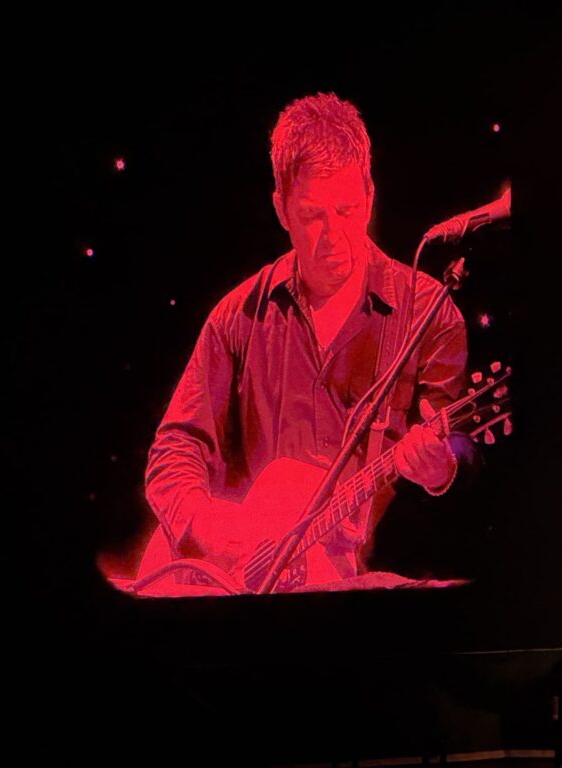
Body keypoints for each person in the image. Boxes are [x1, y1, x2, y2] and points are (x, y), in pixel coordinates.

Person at [143, 92, 479, 592]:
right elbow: (175, 446)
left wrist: (441, 466)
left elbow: (460, 446)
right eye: (312, 215)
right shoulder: (238, 317)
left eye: (347, 210)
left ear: (370, 194)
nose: (334, 237)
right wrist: (209, 528)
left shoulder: (429, 312)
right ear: (281, 209)